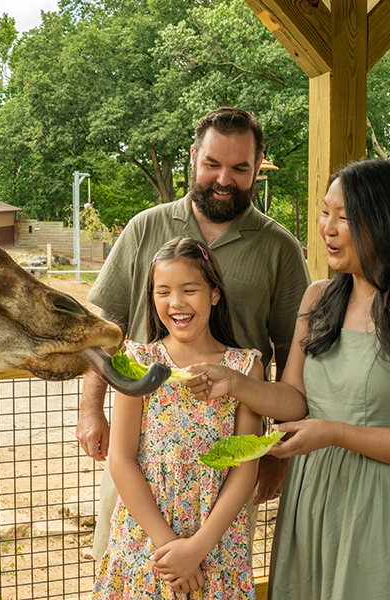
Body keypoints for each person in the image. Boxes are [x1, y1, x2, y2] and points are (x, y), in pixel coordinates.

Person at [190, 159, 390, 599]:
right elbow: (295, 399)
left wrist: (335, 433)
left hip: (384, 506)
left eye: (345, 217)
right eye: (326, 213)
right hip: (312, 499)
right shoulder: (318, 298)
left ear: (385, 224)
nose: (328, 228)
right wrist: (237, 383)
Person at [79, 107, 310, 562]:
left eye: (240, 168)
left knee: (210, 566)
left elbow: (292, 355)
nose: (224, 179)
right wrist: (91, 410)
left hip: (229, 453)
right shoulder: (145, 226)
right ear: (193, 158)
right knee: (129, 562)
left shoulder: (279, 247)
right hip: (141, 443)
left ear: (257, 166)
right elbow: (105, 328)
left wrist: (275, 453)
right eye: (212, 164)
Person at [93, 237, 262, 598]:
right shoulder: (137, 361)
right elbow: (121, 459)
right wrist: (170, 549)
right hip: (147, 542)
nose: (176, 303)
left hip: (216, 541)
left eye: (190, 290)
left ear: (215, 294)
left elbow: (245, 467)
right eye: (163, 291)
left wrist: (198, 548)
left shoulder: (245, 367)